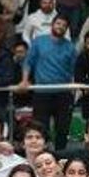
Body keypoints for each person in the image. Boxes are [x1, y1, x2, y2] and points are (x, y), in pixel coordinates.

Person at [19, 15, 76, 151]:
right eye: (58, 23)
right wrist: (25, 80)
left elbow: (74, 70)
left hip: (63, 94)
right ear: (52, 24)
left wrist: (74, 89)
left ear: (66, 29)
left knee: (62, 129)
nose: (60, 27)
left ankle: (61, 156)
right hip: (42, 93)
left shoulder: (70, 47)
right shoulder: (39, 42)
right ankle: (40, 156)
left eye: (64, 25)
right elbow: (28, 62)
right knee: (40, 128)